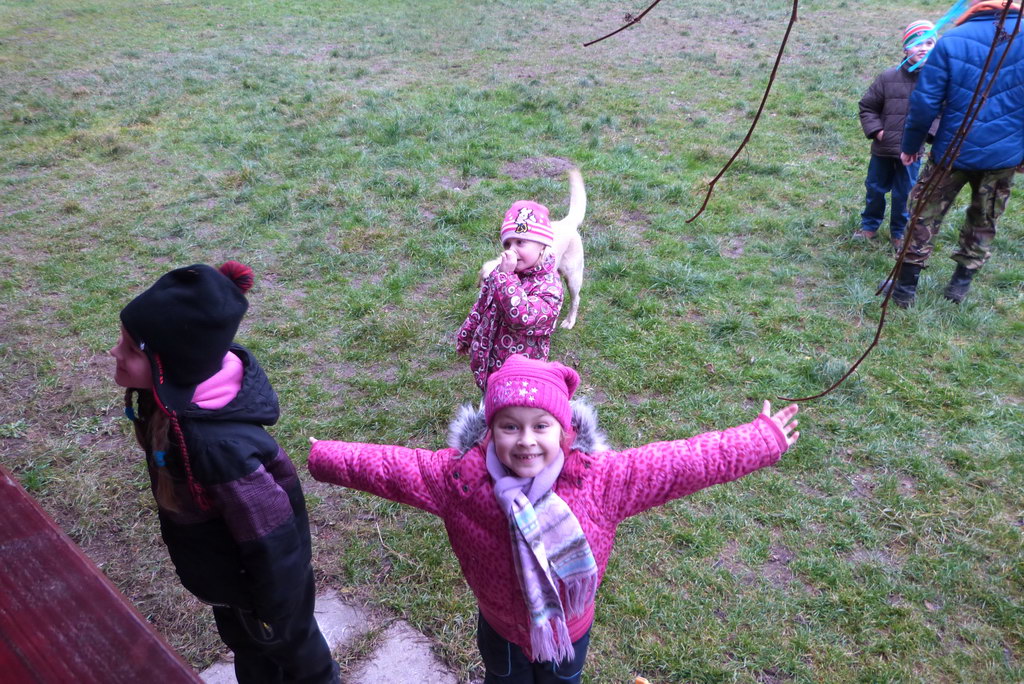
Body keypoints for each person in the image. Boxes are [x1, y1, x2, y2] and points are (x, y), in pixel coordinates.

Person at [307, 354, 800, 683]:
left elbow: (681, 463)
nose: (526, 441)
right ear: (490, 431)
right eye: (509, 426)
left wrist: (760, 441)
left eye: (540, 426)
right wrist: (324, 455)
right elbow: (387, 467)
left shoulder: (601, 480)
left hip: (570, 628)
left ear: (563, 431)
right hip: (501, 628)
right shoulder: (458, 479)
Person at [112, 261, 338, 684]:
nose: (115, 353)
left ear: (171, 366)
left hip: (266, 590)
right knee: (249, 648)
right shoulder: (172, 402)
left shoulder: (218, 450)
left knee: (296, 652)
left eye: (131, 349)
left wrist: (273, 608)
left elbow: (272, 537)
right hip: (232, 581)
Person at [896, 0, 1024, 307]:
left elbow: (925, 103)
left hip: (951, 151)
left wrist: (911, 145)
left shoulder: (952, 39)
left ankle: (904, 289)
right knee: (985, 217)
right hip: (1004, 155)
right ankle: (959, 287)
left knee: (924, 214)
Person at [457, 201, 564, 390]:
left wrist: (506, 277)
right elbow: (481, 305)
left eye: (520, 242)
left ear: (542, 245)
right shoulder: (501, 273)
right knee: (489, 397)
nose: (511, 250)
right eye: (508, 244)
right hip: (489, 363)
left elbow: (522, 318)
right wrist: (467, 334)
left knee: (510, 407)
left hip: (520, 375)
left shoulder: (550, 287)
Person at [856, 20, 937, 252]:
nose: (923, 48)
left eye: (929, 43)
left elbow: (941, 113)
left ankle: (899, 232)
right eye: (917, 43)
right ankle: (869, 225)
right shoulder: (887, 77)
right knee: (875, 188)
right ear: (905, 48)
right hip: (883, 148)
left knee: (905, 193)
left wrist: (926, 135)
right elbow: (867, 107)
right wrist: (877, 131)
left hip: (912, 152)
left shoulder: (936, 82)